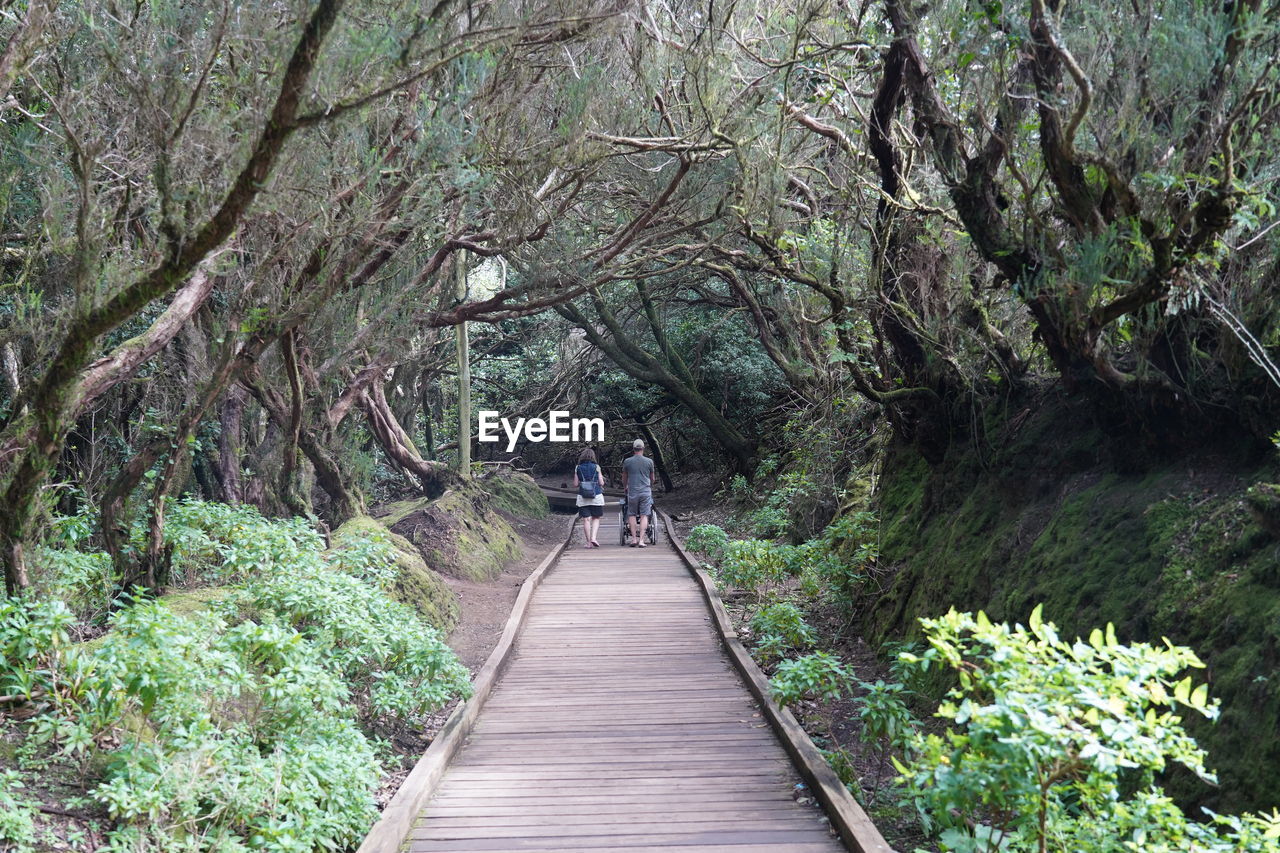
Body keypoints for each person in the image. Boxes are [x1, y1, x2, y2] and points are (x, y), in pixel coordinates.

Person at [620, 438, 655, 547]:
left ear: (633, 449)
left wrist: (625, 486)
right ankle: (641, 540)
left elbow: (624, 478)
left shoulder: (627, 462)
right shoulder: (649, 462)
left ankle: (634, 539)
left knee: (631, 514)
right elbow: (652, 478)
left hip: (633, 491)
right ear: (643, 448)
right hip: (645, 491)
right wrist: (650, 485)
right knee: (644, 515)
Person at [573, 448, 606, 548]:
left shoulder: (578, 468)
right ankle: (594, 538)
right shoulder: (597, 467)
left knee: (586, 519)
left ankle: (588, 543)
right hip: (596, 495)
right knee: (596, 518)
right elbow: (601, 483)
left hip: (583, 497)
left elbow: (575, 484)